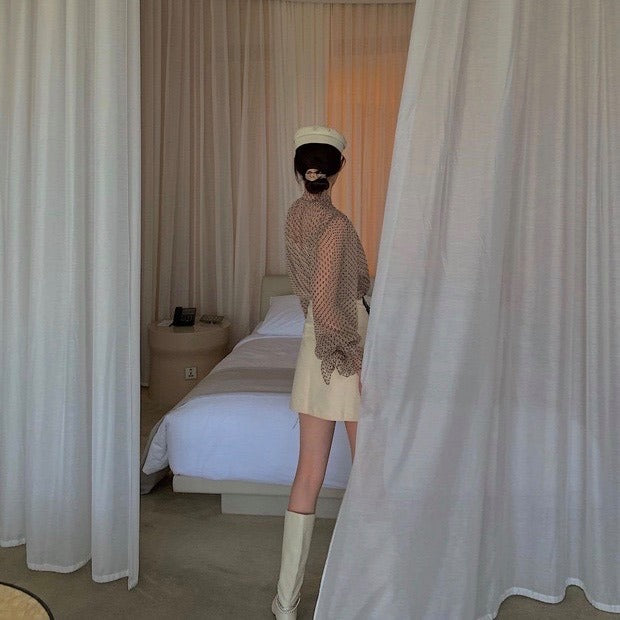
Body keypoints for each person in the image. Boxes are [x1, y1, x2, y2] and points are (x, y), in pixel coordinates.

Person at [271, 126, 371, 619]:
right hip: (342, 349)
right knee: (372, 472)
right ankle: (375, 593)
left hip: (317, 348)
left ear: (300, 170)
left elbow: (311, 297)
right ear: (339, 169)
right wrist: (355, 360)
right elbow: (332, 303)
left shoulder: (294, 216)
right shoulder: (336, 225)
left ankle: (285, 603)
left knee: (307, 474)